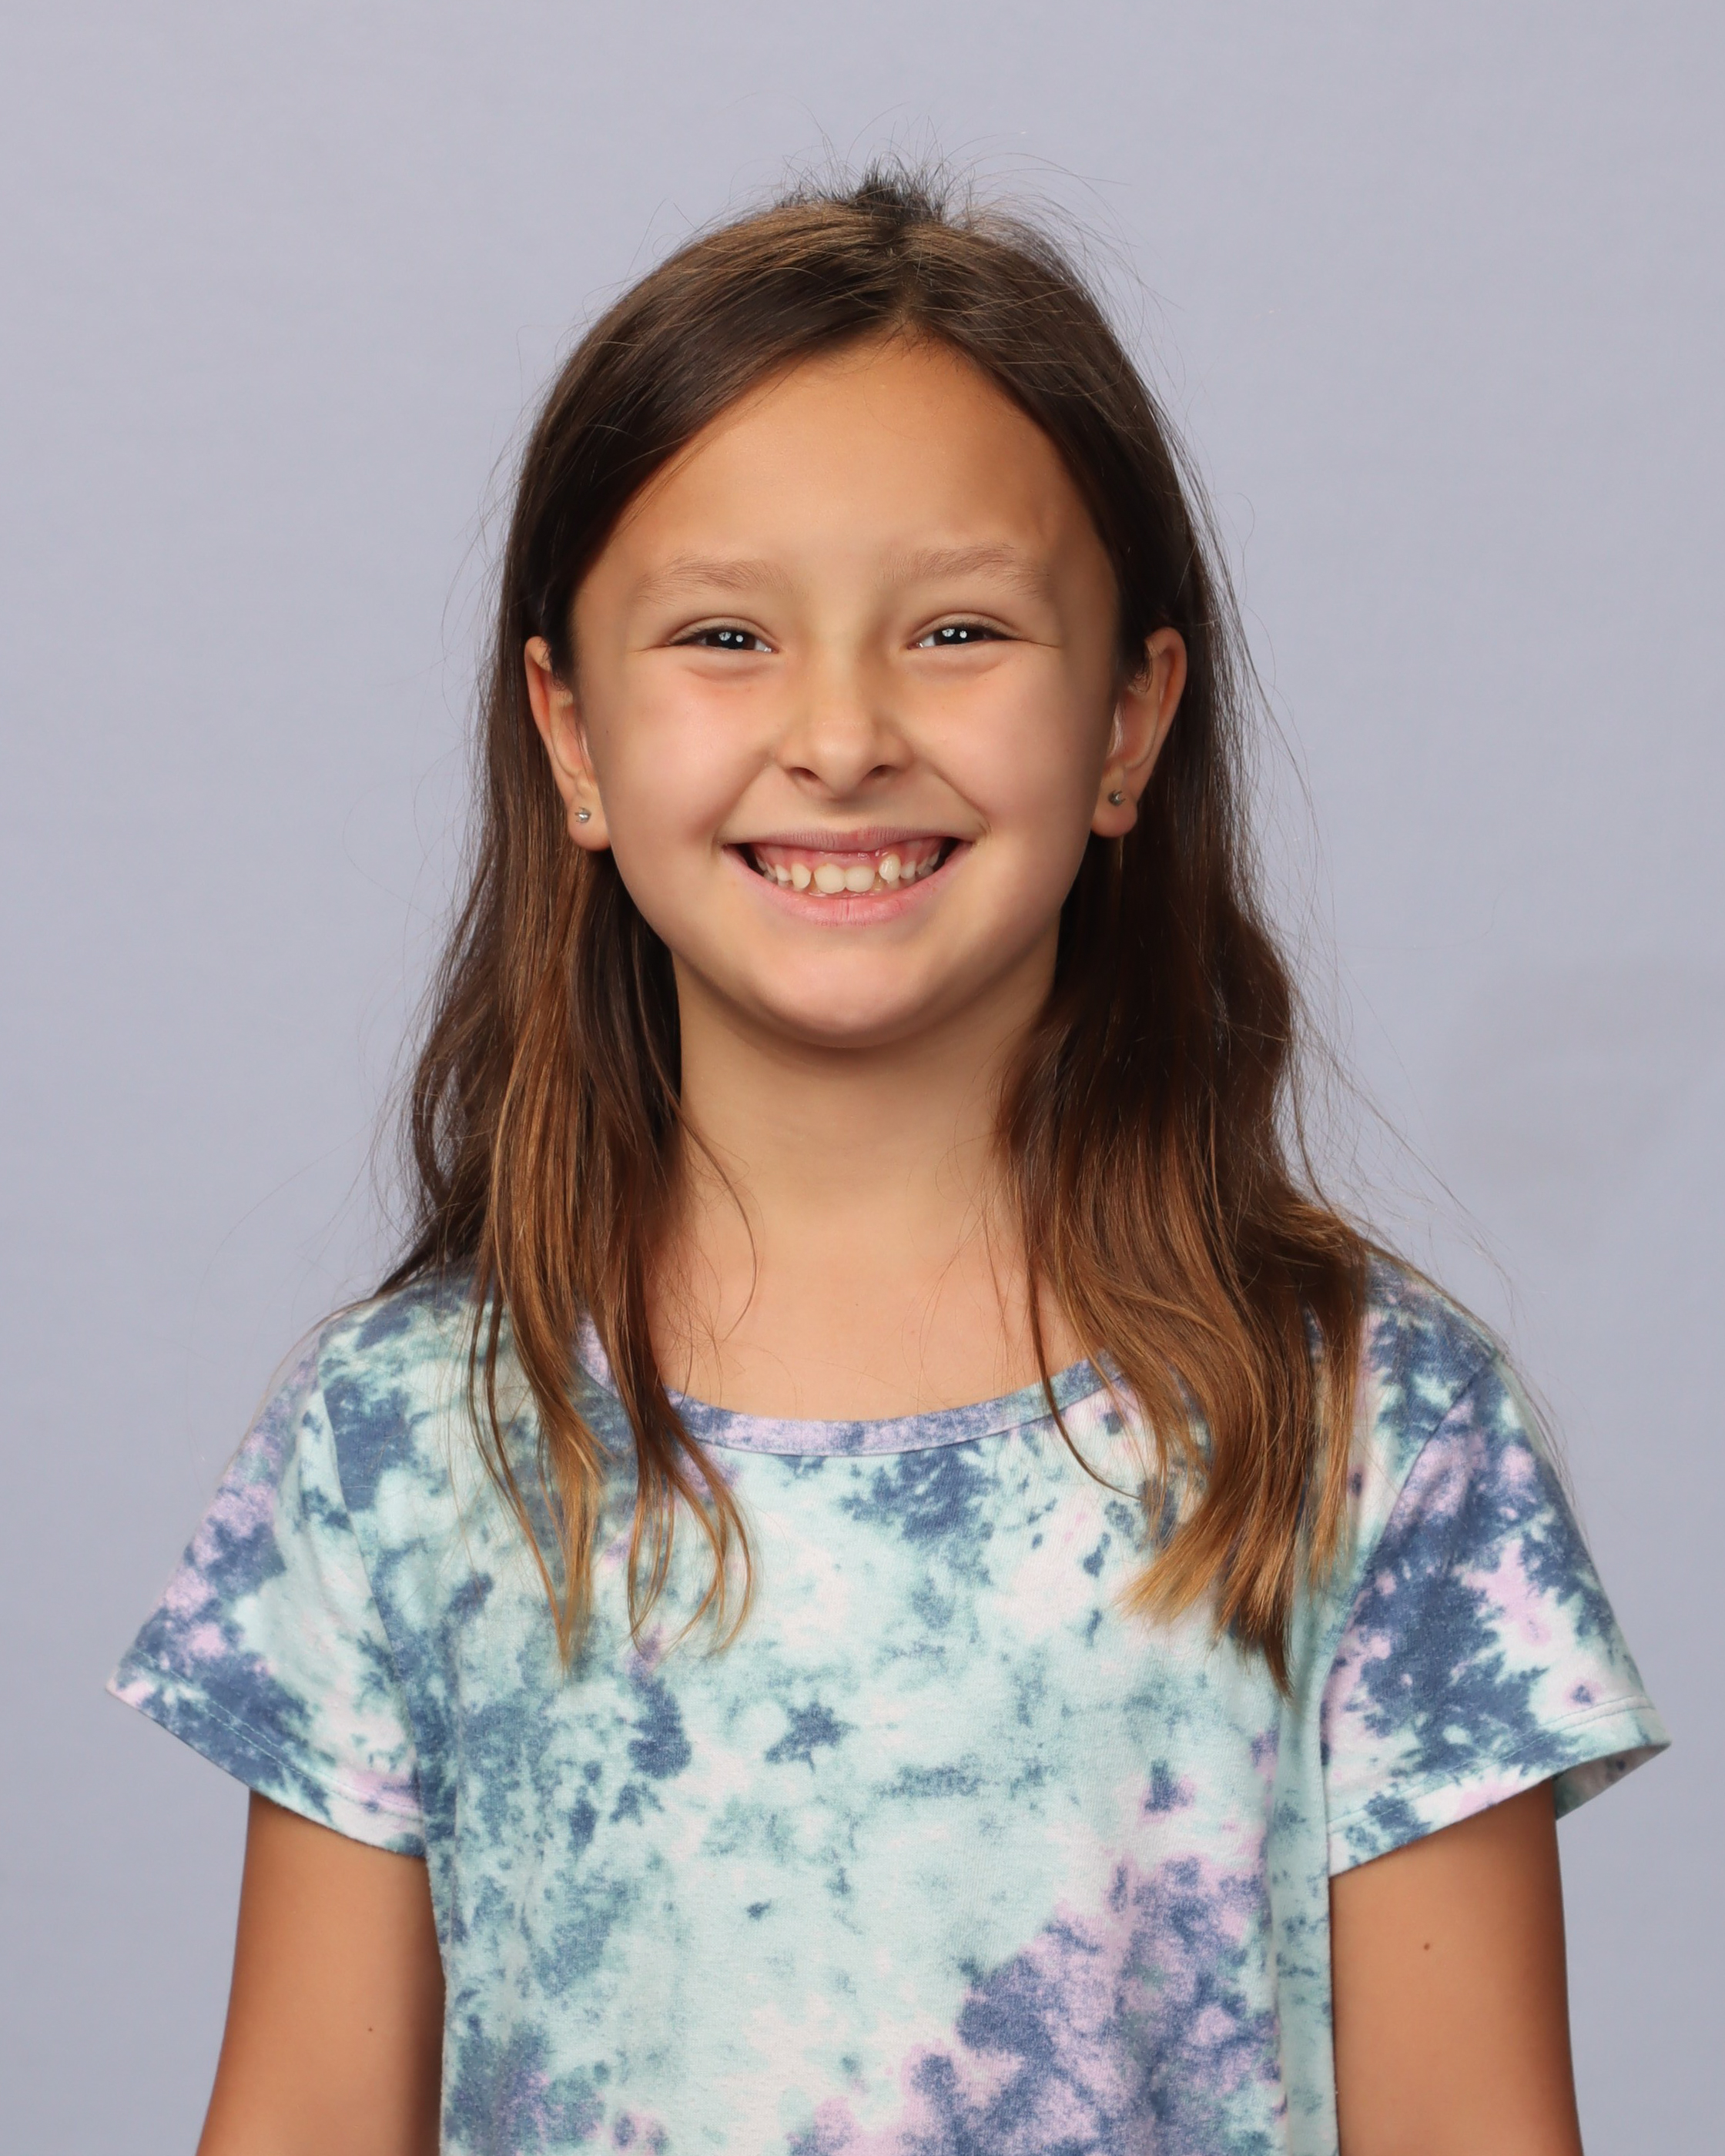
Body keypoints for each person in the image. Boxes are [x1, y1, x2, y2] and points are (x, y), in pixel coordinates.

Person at [111, 170, 1666, 2156]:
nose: (841, 736)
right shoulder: (409, 1442)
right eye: (726, 635)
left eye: (956, 630)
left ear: (1130, 723)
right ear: (571, 738)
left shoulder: (1365, 1429)